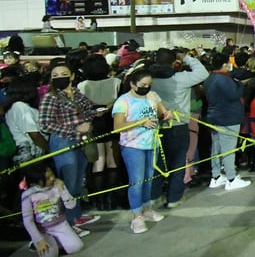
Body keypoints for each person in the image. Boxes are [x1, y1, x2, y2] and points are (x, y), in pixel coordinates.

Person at [37, 63, 102, 234]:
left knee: (78, 180)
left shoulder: (78, 93)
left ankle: (76, 215)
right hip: (63, 142)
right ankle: (67, 223)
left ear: (72, 76)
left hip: (82, 140)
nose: (60, 78)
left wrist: (93, 116)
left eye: (63, 74)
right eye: (55, 75)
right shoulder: (50, 97)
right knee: (68, 184)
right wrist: (74, 129)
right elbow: (45, 124)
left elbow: (87, 110)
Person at [112, 67, 172, 234]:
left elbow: (162, 111)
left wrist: (167, 114)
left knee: (148, 179)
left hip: (151, 144)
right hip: (133, 146)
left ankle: (147, 209)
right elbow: (117, 127)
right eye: (143, 84)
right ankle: (136, 215)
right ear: (132, 84)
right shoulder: (123, 102)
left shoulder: (153, 96)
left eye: (149, 84)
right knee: (137, 181)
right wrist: (140, 122)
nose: (146, 87)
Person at [149, 47, 209, 208]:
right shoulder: (180, 78)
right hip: (178, 125)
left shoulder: (148, 79)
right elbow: (203, 73)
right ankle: (174, 198)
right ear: (173, 61)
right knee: (177, 163)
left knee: (157, 164)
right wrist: (187, 58)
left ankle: (153, 196)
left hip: (154, 125)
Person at [77, 54, 122, 210]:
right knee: (112, 159)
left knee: (98, 160)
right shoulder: (116, 82)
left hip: (93, 123)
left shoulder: (83, 85)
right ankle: (111, 199)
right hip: (112, 121)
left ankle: (99, 200)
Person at [204, 52, 251, 191]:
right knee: (228, 150)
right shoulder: (224, 80)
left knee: (216, 148)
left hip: (214, 116)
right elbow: (235, 94)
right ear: (225, 64)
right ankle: (231, 178)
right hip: (228, 118)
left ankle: (216, 176)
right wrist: (240, 84)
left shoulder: (210, 78)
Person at [20, 163, 84, 257]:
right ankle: (37, 243)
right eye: (48, 178)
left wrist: (63, 190)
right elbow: (28, 221)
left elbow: (71, 205)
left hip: (61, 224)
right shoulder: (28, 195)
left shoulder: (57, 185)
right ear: (36, 182)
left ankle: (59, 242)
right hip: (43, 230)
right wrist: (39, 240)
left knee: (77, 247)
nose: (52, 178)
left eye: (52, 175)